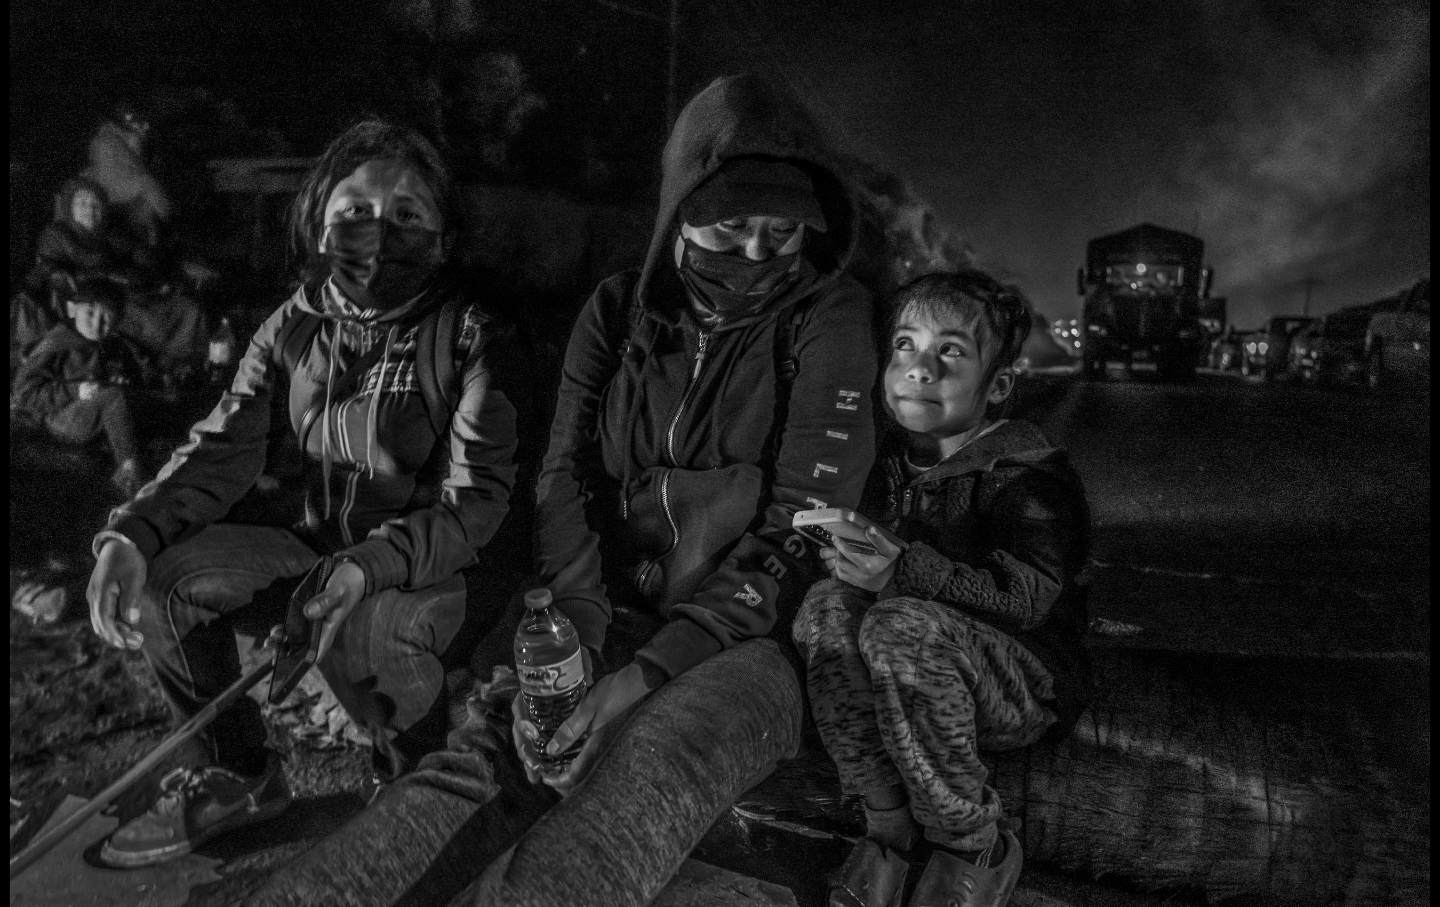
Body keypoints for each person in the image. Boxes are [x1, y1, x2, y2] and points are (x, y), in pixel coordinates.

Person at [245, 72, 879, 906]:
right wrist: (573, 639)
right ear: (681, 208)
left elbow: (800, 526)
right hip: (606, 608)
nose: (758, 254)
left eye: (781, 232)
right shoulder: (617, 313)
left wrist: (643, 676)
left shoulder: (827, 318)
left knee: (646, 769)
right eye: (731, 227)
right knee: (489, 764)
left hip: (755, 639)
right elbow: (565, 477)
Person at [81, 120, 520, 868]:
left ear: (444, 237)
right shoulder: (296, 324)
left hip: (445, 568)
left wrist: (368, 566)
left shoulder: (471, 332)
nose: (378, 233)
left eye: (407, 213)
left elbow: (474, 504)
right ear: (319, 222)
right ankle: (242, 772)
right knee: (166, 582)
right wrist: (131, 532)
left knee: (372, 628)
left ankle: (411, 786)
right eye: (354, 210)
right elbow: (223, 446)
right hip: (323, 549)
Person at [791, 270, 1093, 907]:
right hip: (909, 662)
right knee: (825, 609)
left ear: (1000, 384)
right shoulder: (887, 461)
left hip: (1019, 677)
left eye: (950, 351)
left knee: (900, 626)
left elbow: (1027, 598)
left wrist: (902, 572)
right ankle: (886, 825)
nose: (919, 368)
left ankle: (971, 843)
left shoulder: (1025, 475)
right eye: (904, 344)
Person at [10, 275, 150, 496]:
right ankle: (129, 469)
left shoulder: (103, 344)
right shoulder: (57, 343)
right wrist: (75, 390)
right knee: (113, 396)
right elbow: (24, 394)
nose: (96, 324)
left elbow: (99, 375)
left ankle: (121, 441)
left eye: (106, 320)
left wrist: (112, 379)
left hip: (82, 413)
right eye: (90, 313)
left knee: (124, 393)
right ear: (72, 309)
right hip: (57, 420)